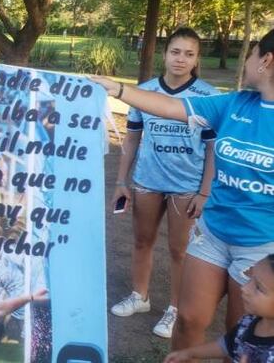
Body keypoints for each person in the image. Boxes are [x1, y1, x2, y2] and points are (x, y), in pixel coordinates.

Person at [91, 28, 274, 355]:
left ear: (266, 61)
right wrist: (118, 88)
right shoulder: (234, 103)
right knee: (188, 320)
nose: (244, 61)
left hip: (259, 246)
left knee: (239, 335)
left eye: (251, 54)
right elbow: (168, 107)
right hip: (213, 235)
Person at [109, 28, 219, 339]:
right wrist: (121, 181)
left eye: (189, 53)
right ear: (164, 53)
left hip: (186, 186)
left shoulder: (208, 97)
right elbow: (131, 139)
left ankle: (174, 309)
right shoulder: (143, 92)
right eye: (175, 51)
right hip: (147, 181)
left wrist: (205, 191)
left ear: (197, 59)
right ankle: (139, 296)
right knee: (142, 241)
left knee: (179, 250)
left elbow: (212, 148)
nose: (181, 59)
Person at [163, 254, 274, 362]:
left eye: (259, 288)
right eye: (250, 279)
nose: (245, 288)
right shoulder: (249, 321)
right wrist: (189, 353)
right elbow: (226, 345)